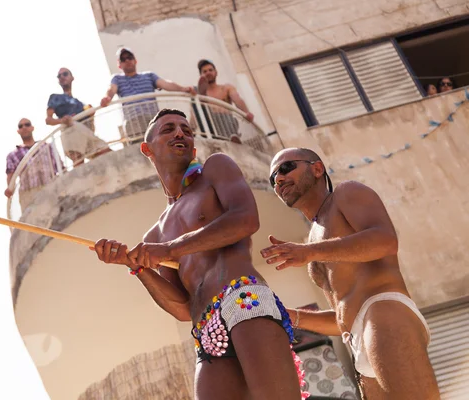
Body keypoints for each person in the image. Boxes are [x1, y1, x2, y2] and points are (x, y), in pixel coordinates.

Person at [93, 109, 307, 400]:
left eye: (186, 129)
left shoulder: (216, 169)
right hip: (205, 327)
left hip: (244, 298)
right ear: (147, 149)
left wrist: (170, 250)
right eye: (168, 129)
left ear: (193, 147)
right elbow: (183, 308)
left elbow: (246, 220)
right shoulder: (154, 235)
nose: (180, 133)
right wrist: (137, 267)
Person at [261, 148, 439, 400]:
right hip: (356, 339)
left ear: (317, 168)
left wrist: (308, 252)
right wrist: (290, 316)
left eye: (286, 168)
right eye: (272, 179)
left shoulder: (346, 194)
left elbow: (385, 241)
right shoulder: (311, 237)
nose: (278, 179)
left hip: (383, 315)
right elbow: (342, 318)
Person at [100, 48, 195, 143]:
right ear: (119, 65)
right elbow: (112, 89)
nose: (127, 60)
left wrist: (183, 89)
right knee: (139, 151)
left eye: (129, 57)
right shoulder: (117, 79)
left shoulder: (149, 76)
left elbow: (166, 84)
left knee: (160, 147)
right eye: (123, 59)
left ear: (135, 60)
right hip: (133, 123)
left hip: (153, 119)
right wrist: (107, 98)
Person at [46, 67, 110, 166]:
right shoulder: (55, 97)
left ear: (72, 77)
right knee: (79, 162)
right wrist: (62, 120)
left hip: (84, 131)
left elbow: (89, 123)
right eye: (59, 76)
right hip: (70, 129)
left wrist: (91, 114)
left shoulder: (79, 103)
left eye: (65, 74)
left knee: (105, 151)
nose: (62, 77)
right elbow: (48, 120)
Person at [5, 118, 62, 212]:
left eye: (27, 124)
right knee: (33, 223)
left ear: (32, 128)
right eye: (21, 126)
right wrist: (9, 189)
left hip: (50, 187)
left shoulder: (46, 146)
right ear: (18, 131)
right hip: (28, 194)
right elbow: (10, 175)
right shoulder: (13, 155)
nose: (24, 127)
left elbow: (59, 166)